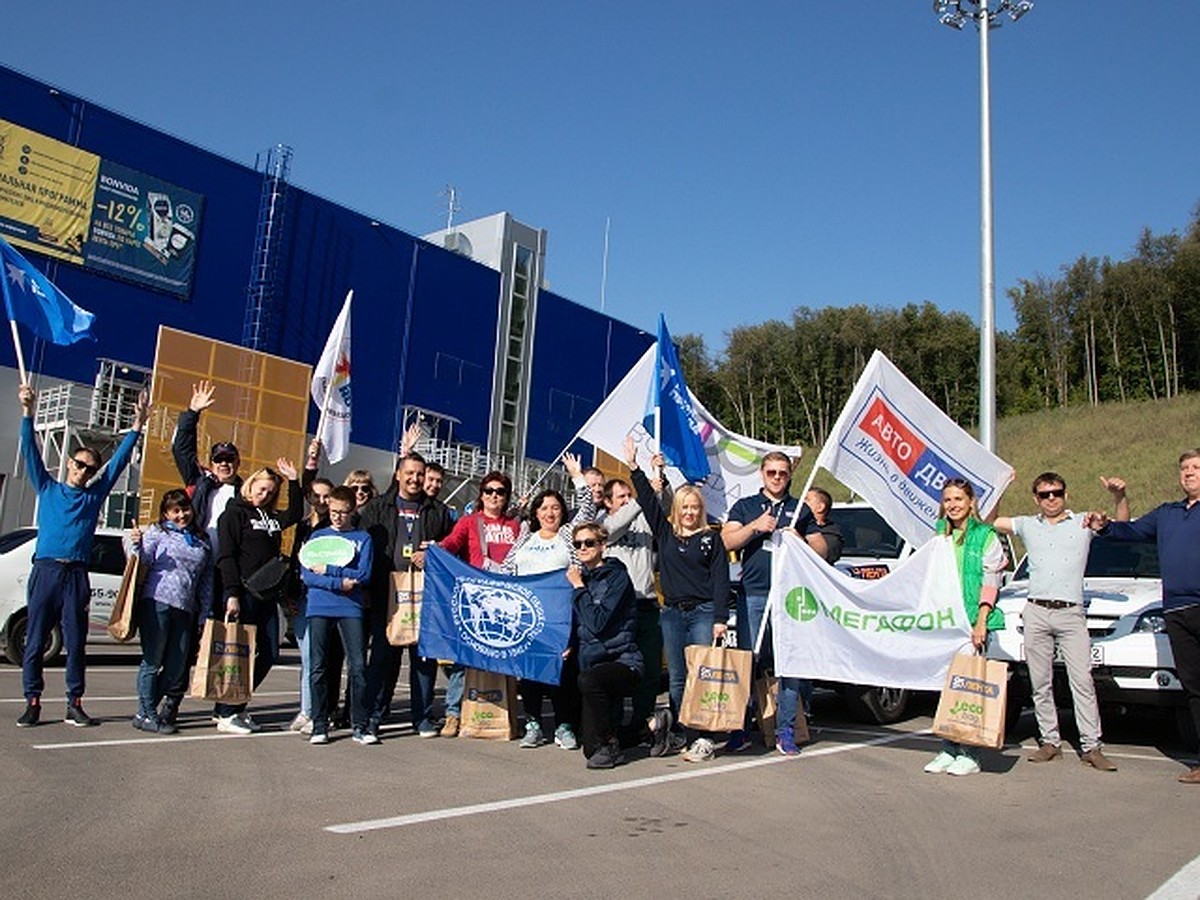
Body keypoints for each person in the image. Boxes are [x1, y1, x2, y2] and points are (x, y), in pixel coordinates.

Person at [16, 382, 149, 728]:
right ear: (69, 463)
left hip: (76, 575)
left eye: (90, 468)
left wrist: (137, 427)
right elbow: (29, 451)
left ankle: (74, 703)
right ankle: (33, 702)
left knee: (75, 644)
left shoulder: (93, 498)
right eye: (79, 464)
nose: (84, 471)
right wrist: (28, 414)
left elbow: (117, 464)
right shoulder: (47, 488)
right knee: (35, 642)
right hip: (45, 572)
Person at [991, 473, 1125, 771]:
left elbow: (1121, 525)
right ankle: (1049, 741)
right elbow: (991, 520)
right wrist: (1000, 487)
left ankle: (1092, 746)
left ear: (1067, 494)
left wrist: (1118, 497)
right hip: (1036, 610)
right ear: (1035, 498)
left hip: (1071, 612)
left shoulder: (1082, 523)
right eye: (1044, 494)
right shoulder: (1028, 524)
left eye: (1057, 493)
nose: (1051, 499)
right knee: (1040, 682)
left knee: (1082, 681)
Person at [1091, 452, 1200, 784]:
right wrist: (1107, 518)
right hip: (1178, 611)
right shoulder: (1168, 514)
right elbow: (1128, 532)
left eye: (1196, 468)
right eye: (1184, 469)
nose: (1189, 474)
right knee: (1195, 688)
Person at [623, 435, 730, 762]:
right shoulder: (665, 533)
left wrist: (719, 619)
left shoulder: (711, 540)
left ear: (701, 510)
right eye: (684, 507)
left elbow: (721, 581)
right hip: (671, 613)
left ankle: (703, 737)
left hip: (702, 612)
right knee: (679, 678)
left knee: (701, 675)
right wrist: (634, 466)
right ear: (677, 509)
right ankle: (683, 731)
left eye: (694, 507)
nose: (689, 512)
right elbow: (648, 500)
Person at [722, 453, 826, 756]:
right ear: (762, 473)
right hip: (753, 593)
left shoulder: (800, 509)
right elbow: (728, 541)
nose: (777, 477)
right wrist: (755, 526)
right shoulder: (745, 506)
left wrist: (801, 539)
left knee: (789, 664)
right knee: (747, 662)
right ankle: (739, 729)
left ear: (790, 474)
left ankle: (786, 731)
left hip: (789, 597)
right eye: (771, 472)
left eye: (782, 472)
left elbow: (822, 550)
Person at [502, 456, 596, 750]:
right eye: (544, 508)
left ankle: (564, 725)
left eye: (555, 507)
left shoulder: (568, 535)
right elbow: (507, 569)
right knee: (530, 673)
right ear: (536, 512)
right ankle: (532, 724)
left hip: (560, 616)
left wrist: (576, 476)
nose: (550, 513)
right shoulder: (524, 536)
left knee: (562, 673)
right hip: (527, 616)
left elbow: (589, 509)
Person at [361, 452, 454, 739]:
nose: (415, 479)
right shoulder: (378, 507)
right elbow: (364, 547)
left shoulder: (437, 511)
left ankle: (423, 718)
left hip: (425, 596)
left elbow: (450, 548)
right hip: (385, 594)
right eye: (409, 473)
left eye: (419, 474)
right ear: (398, 475)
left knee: (423, 661)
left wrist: (432, 553)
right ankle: (372, 718)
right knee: (381, 659)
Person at [212, 461, 303, 734]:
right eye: (262, 489)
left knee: (269, 652)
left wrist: (294, 481)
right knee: (238, 654)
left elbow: (296, 513)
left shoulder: (271, 518)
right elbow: (226, 557)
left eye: (271, 492)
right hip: (243, 593)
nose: (265, 495)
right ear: (251, 486)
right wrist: (231, 594)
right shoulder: (233, 515)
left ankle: (232, 707)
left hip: (267, 594)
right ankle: (228, 713)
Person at [924, 478, 1006, 776]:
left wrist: (982, 620)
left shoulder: (985, 535)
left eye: (959, 499)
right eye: (948, 500)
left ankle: (969, 753)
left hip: (972, 622)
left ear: (971, 502)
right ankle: (948, 748)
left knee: (968, 687)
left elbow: (991, 580)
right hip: (946, 621)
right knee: (947, 688)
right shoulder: (939, 534)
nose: (953, 505)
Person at [438, 471, 522, 736]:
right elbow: (451, 544)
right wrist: (434, 550)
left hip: (507, 601)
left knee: (504, 660)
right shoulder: (469, 522)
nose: (494, 496)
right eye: (489, 491)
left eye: (500, 492)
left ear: (507, 496)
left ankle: (505, 715)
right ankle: (453, 714)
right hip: (477, 598)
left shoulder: (516, 526)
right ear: (481, 494)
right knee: (465, 658)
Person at [125, 490, 212, 734]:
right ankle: (149, 713)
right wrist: (136, 544)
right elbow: (143, 560)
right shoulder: (158, 532)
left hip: (185, 607)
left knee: (176, 667)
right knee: (152, 661)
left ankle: (144, 710)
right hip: (157, 601)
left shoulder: (201, 539)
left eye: (185, 509)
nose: (181, 515)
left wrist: (206, 612)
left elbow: (206, 581)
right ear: (166, 513)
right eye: (175, 511)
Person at [597, 475, 668, 750]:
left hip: (647, 603)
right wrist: (643, 495)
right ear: (607, 502)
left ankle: (641, 723)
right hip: (619, 609)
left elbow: (662, 506)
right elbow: (615, 526)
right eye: (621, 497)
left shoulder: (643, 519)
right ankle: (612, 726)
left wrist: (659, 485)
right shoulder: (605, 524)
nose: (627, 501)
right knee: (615, 668)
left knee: (649, 670)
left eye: (630, 495)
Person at [301, 486, 375, 745]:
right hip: (319, 606)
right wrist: (338, 582)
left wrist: (329, 571)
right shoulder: (317, 536)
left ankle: (360, 725)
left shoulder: (362, 538)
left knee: (358, 667)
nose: (337, 517)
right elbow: (307, 574)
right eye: (333, 512)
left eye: (343, 513)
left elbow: (364, 575)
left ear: (352, 510)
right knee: (318, 666)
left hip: (351, 608)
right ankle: (319, 725)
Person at [567, 522, 644, 769]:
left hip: (623, 662)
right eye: (578, 544)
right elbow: (574, 622)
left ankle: (611, 747)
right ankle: (648, 728)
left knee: (590, 681)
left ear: (602, 545)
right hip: (591, 666)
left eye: (589, 543)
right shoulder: (581, 579)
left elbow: (598, 622)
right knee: (589, 748)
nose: (583, 548)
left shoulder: (617, 578)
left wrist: (578, 587)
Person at [288, 476, 335, 735]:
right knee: (307, 658)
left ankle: (315, 711)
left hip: (322, 598)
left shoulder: (332, 528)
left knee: (316, 659)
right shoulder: (303, 526)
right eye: (316, 496)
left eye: (327, 496)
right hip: (302, 597)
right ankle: (307, 708)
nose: (321, 500)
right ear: (309, 498)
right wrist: (291, 594)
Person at [805, 487, 844, 566]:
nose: (801, 503)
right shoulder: (796, 525)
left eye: (807, 499)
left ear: (820, 507)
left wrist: (798, 537)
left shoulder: (831, 535)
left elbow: (821, 556)